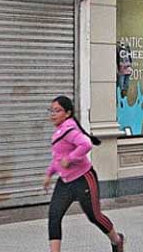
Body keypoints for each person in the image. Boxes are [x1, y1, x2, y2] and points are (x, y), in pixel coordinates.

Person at [45, 95, 125, 252]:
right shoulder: (59, 131)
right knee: (54, 215)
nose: (53, 114)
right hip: (65, 181)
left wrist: (70, 158)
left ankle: (117, 240)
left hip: (83, 179)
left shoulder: (69, 130)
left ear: (67, 113)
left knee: (94, 216)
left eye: (57, 111)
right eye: (51, 110)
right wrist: (49, 174)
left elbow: (86, 144)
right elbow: (58, 158)